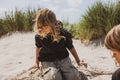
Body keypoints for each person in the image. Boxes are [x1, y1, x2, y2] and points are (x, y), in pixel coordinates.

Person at [31, 8, 88, 80]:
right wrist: (36, 62)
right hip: (47, 60)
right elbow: (38, 48)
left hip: (63, 58)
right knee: (54, 77)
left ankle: (80, 75)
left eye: (45, 26)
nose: (42, 29)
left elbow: (71, 47)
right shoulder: (39, 35)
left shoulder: (63, 33)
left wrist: (78, 61)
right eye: (40, 26)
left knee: (72, 76)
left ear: (52, 24)